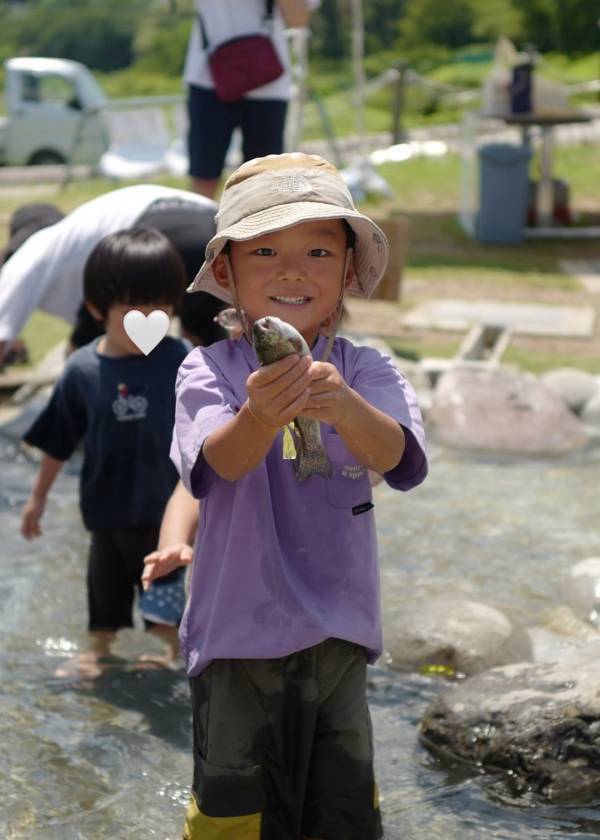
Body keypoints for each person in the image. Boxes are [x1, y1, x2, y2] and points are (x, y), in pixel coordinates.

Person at [159, 152, 428, 838]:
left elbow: (398, 461)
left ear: (346, 272)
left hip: (339, 630)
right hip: (236, 633)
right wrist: (260, 416)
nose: (290, 269)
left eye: (317, 250)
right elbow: (216, 465)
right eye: (265, 251)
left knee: (338, 810)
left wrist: (343, 410)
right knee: (233, 810)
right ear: (227, 273)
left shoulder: (366, 369)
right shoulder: (207, 370)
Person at [19, 228, 191, 678]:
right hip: (106, 514)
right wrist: (37, 500)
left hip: (166, 516)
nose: (149, 318)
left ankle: (165, 648)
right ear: (97, 308)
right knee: (104, 597)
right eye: (133, 308)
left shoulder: (181, 361)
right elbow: (58, 440)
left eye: (160, 307)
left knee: (165, 594)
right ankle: (99, 649)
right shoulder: (81, 371)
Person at [0, 184, 221, 367]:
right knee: (207, 350)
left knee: (95, 354)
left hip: (154, 241)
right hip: (218, 223)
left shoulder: (33, 250)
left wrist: (75, 371)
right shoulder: (80, 226)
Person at [183, 0, 317, 198]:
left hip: (269, 85)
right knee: (204, 175)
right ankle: (200, 228)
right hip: (209, 78)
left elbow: (298, 18)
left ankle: (257, 227)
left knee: (263, 180)